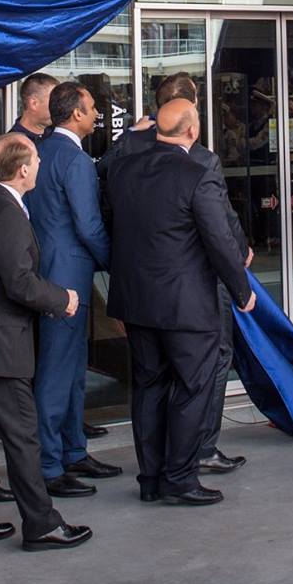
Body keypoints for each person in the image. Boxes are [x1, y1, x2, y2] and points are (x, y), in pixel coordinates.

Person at [0, 133, 91, 550]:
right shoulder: (7, 214)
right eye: (36, 159)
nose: (40, 164)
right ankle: (41, 524)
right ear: (23, 170)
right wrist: (63, 299)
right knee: (23, 436)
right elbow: (19, 283)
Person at [107, 98, 255, 505]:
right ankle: (180, 478)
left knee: (149, 387)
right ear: (193, 130)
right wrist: (242, 291)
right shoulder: (197, 174)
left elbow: (114, 226)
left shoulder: (123, 170)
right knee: (194, 387)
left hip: (136, 301)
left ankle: (151, 479)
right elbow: (219, 240)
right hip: (186, 304)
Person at [30, 80, 116, 496]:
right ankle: (49, 466)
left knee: (71, 368)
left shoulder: (39, 151)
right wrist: (116, 263)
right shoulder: (76, 161)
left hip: (46, 270)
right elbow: (89, 226)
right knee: (57, 372)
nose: (98, 113)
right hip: (67, 278)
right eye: (93, 107)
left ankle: (73, 450)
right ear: (77, 113)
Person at [10, 71, 56, 149]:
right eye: (54, 100)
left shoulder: (58, 135)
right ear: (33, 103)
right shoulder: (13, 145)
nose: (59, 105)